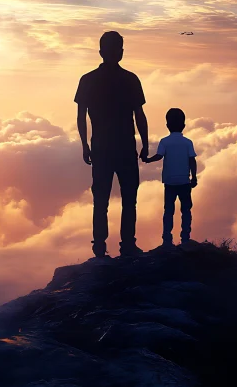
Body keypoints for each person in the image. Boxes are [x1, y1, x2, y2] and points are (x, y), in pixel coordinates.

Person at [75, 31, 148, 258]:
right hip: (126, 147)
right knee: (129, 199)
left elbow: (81, 116)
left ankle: (99, 247)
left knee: (101, 199)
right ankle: (127, 246)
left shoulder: (87, 80)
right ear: (121, 53)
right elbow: (139, 115)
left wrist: (85, 145)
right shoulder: (131, 79)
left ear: (100, 52)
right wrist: (145, 144)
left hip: (101, 148)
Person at [146, 108, 197, 246]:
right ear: (184, 125)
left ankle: (167, 239)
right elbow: (192, 160)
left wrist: (148, 160)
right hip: (184, 181)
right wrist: (194, 177)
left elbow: (159, 156)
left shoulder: (164, 141)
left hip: (169, 181)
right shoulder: (188, 142)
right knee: (186, 210)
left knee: (168, 210)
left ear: (167, 125)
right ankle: (185, 237)